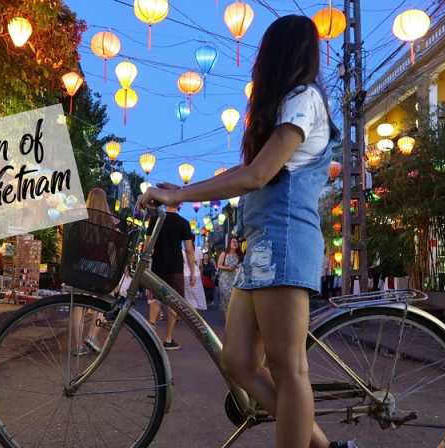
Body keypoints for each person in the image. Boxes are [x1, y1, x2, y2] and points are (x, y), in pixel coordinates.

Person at [137, 15, 357, 448]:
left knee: (288, 368)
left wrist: (180, 197)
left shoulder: (304, 99)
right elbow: (249, 170)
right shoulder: (286, 107)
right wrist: (182, 190)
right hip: (261, 246)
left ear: (274, 56)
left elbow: (258, 175)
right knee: (236, 362)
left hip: (287, 241)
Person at [71, 187, 116, 356]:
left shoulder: (81, 219)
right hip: (101, 267)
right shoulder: (110, 222)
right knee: (101, 302)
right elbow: (112, 249)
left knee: (78, 307)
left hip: (82, 265)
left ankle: (77, 347)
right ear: (105, 202)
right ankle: (91, 336)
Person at [146, 204, 196, 351]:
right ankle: (168, 339)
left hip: (157, 265)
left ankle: (150, 336)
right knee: (173, 302)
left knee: (155, 299)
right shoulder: (183, 223)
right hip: (175, 267)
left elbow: (148, 245)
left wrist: (146, 266)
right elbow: (188, 249)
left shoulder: (155, 219)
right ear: (180, 204)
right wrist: (192, 271)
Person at [216, 237, 243, 313]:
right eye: (233, 242)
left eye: (236, 242)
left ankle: (233, 319)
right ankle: (227, 321)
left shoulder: (239, 255)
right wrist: (228, 268)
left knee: (234, 300)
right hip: (225, 280)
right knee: (226, 300)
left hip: (235, 279)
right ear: (229, 243)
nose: (235, 243)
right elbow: (219, 265)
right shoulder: (224, 254)